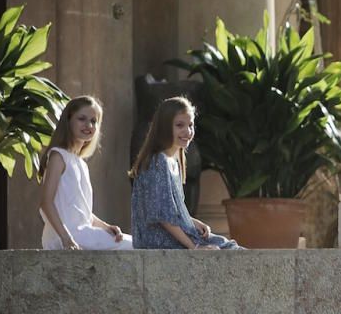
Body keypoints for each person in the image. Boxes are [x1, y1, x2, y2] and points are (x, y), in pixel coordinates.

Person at [129, 96, 240, 250]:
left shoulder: (173, 162)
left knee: (229, 246)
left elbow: (173, 213)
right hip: (158, 241)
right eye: (180, 125)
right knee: (229, 250)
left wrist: (193, 222)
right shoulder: (157, 162)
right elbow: (163, 217)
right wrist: (194, 247)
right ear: (164, 127)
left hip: (176, 237)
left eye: (191, 125)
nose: (187, 131)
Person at [39, 96, 132, 250]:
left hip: (81, 234)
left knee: (136, 244)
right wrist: (66, 238)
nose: (88, 125)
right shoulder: (58, 156)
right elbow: (46, 203)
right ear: (68, 121)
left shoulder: (80, 162)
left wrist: (106, 227)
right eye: (82, 119)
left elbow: (82, 213)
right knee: (135, 246)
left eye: (93, 121)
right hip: (65, 237)